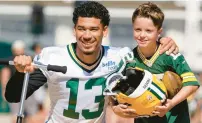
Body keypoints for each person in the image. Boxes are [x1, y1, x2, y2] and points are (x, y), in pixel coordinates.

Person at [4, 1, 178, 123]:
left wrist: (162, 41)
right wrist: (21, 73)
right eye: (82, 29)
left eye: (93, 29)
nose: (87, 35)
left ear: (105, 31)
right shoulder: (54, 57)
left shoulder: (119, 57)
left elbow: (150, 60)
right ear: (74, 30)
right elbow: (12, 96)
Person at [110, 2, 199, 123]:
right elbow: (114, 93)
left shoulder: (170, 55)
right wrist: (116, 108)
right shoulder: (128, 59)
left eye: (148, 31)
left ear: (159, 31)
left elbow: (192, 84)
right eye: (137, 29)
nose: (142, 35)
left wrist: (171, 103)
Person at [0, 40, 41, 123]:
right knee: (22, 116)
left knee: (28, 116)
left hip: (26, 90)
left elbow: (5, 76)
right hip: (19, 91)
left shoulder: (26, 59)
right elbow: (5, 76)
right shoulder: (24, 60)